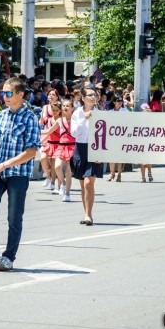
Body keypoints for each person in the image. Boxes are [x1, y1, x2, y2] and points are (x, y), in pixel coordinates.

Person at [0, 77, 41, 272]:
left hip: (17, 174)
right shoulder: (1, 116)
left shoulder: (30, 118)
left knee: (14, 217)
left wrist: (4, 165)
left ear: (20, 94)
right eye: (3, 93)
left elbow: (31, 152)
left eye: (8, 93)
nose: (4, 96)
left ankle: (8, 257)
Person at [70, 86, 103, 225]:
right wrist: (85, 118)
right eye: (90, 95)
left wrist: (102, 152)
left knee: (89, 182)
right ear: (83, 98)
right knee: (83, 185)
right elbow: (74, 133)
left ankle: (88, 215)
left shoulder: (101, 113)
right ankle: (86, 213)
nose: (93, 97)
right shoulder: (77, 113)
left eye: (94, 95)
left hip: (95, 148)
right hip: (81, 148)